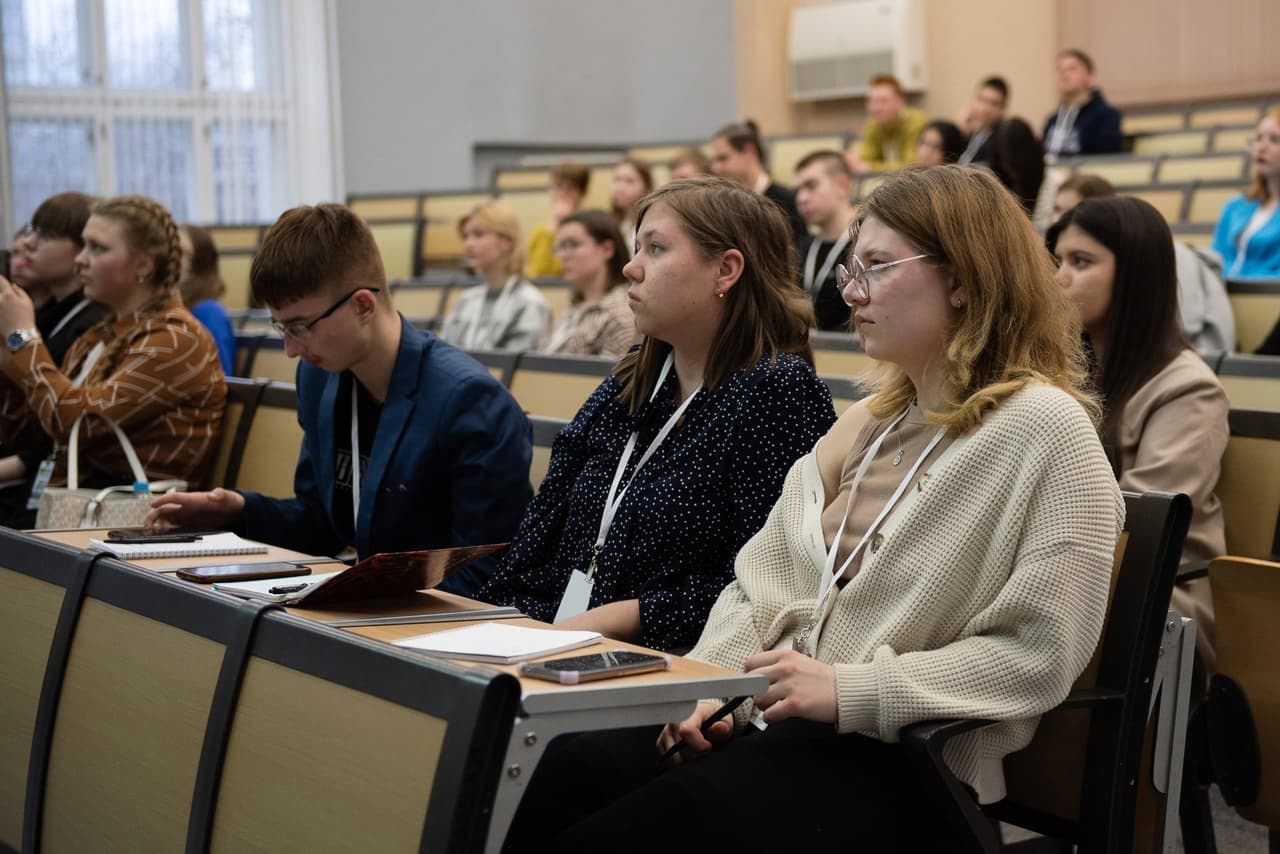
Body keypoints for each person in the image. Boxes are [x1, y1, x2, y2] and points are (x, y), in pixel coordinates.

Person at [502, 165, 1123, 853]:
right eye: (852, 269)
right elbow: (755, 584)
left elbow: (1038, 654)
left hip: (901, 763)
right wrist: (710, 691)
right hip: (774, 726)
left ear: (963, 279)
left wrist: (852, 690)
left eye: (878, 267)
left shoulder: (1046, 428)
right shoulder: (869, 422)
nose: (851, 292)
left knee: (634, 832)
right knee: (553, 777)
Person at [482, 178, 836, 653]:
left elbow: (770, 584)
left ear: (726, 270)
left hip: (675, 664)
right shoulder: (631, 379)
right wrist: (495, 625)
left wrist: (624, 617)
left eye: (655, 248)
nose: (630, 268)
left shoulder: (777, 392)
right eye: (636, 248)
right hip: (559, 643)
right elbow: (537, 535)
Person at [146, 203, 532, 596]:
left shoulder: (470, 401)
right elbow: (320, 524)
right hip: (375, 608)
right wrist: (238, 511)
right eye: (281, 327)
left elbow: (487, 574)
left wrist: (363, 605)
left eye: (300, 327)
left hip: (442, 619)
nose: (290, 349)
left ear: (363, 306)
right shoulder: (318, 378)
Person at [1049, 195, 1228, 669]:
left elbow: (1143, 522)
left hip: (1162, 598)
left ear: (1134, 275)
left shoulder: (1187, 388)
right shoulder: (1067, 376)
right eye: (1058, 261)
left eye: (1081, 261)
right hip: (1080, 572)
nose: (1059, 278)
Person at [0, 195, 226, 523]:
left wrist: (23, 338)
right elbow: (29, 433)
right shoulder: (101, 334)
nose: (81, 260)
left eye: (97, 248)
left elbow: (75, 423)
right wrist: (7, 353)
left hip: (134, 522)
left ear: (144, 265)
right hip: (79, 510)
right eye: (83, 246)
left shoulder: (174, 339)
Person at [1055, 173, 1235, 354]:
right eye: (1056, 209)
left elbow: (1187, 328)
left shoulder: (1176, 256)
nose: (1058, 220)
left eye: (1080, 261)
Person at [437, 201, 550, 352]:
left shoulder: (530, 304)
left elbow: (513, 364)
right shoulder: (466, 300)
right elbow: (443, 354)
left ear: (507, 242)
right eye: (466, 236)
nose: (468, 245)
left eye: (478, 234)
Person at [539, 210, 639, 358]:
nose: (563, 255)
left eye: (573, 244)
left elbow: (614, 372)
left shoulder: (622, 314)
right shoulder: (572, 308)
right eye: (561, 247)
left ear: (607, 249)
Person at [709, 120, 808, 242]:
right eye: (714, 160)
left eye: (723, 158)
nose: (715, 168)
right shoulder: (723, 204)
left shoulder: (787, 201)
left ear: (749, 151)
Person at [1211, 106, 1280, 279]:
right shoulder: (1234, 206)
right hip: (1222, 292)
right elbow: (1215, 260)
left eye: (1274, 139)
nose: (1261, 147)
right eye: (1258, 138)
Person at [792, 149, 856, 330]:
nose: (801, 198)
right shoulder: (802, 248)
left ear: (843, 185)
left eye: (811, 186)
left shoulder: (864, 246)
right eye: (797, 191)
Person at [1042, 48, 1123, 159]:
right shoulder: (1053, 120)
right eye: (1060, 69)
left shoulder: (1106, 117)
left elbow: (1105, 158)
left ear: (1090, 77)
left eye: (1072, 69)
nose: (1064, 74)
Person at [178, 225, 236, 376]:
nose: (171, 259)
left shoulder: (209, 312)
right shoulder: (164, 307)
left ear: (200, 263)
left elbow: (221, 376)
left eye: (181, 252)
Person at [847, 74, 928, 174]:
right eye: (872, 101)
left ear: (900, 102)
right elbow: (863, 158)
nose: (876, 108)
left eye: (883, 101)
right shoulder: (873, 124)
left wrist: (871, 168)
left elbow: (912, 167)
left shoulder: (916, 122)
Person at [525, 162, 590, 279]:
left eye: (569, 189)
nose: (561, 194)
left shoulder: (589, 229)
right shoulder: (540, 232)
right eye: (557, 187)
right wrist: (550, 232)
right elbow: (536, 274)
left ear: (582, 194)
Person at [988, 117, 1046, 214]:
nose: (1012, 173)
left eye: (1015, 167)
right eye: (1005, 164)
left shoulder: (1046, 178)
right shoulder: (996, 172)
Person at [958, 75, 1009, 164]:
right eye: (982, 100)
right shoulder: (971, 131)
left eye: (994, 104)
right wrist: (960, 133)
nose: (985, 109)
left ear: (1003, 109)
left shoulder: (1001, 142)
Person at [610, 157, 654, 254]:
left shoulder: (651, 223)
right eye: (617, 179)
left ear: (646, 187)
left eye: (629, 181)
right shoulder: (616, 222)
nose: (620, 187)